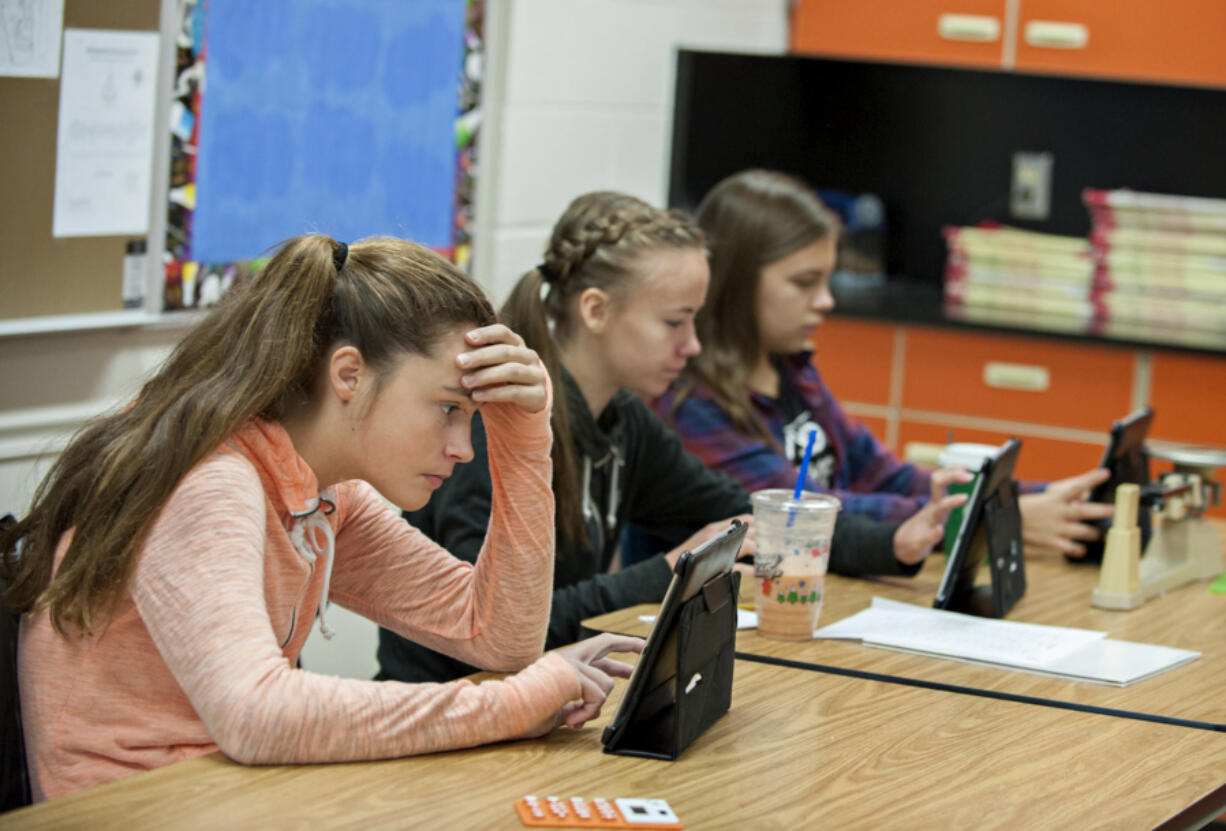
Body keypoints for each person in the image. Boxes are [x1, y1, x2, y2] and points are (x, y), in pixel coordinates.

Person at [0, 234, 642, 802]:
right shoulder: (212, 481)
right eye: (448, 408)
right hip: (139, 807)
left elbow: (499, 635)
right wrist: (513, 700)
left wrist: (526, 437)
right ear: (349, 375)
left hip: (229, 791)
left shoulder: (322, 490)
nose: (461, 447)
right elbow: (255, 714)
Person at [378, 192, 968, 685]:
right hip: (451, 703)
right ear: (595, 309)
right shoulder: (491, 431)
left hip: (537, 699)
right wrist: (670, 571)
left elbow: (737, 512)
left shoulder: (624, 420)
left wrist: (890, 544)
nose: (692, 346)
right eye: (673, 322)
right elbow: (482, 632)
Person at [653, 169, 1114, 558]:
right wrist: (987, 516)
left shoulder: (793, 371)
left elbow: (886, 476)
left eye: (827, 280)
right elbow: (804, 513)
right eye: (804, 282)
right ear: (735, 281)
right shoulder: (689, 404)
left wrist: (1038, 497)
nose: (826, 301)